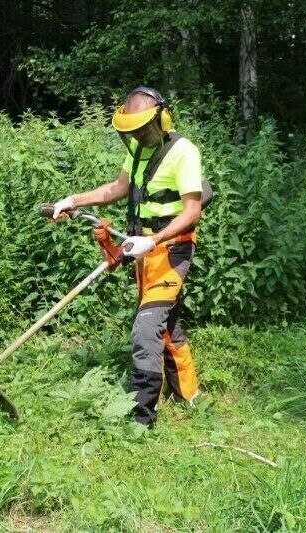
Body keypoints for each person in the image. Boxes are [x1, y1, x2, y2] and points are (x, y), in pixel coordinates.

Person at [50, 86, 203, 426]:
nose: (138, 137)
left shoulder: (184, 152)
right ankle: (189, 395)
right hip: (143, 248)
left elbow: (192, 211)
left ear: (162, 119)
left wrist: (156, 239)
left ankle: (142, 417)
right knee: (166, 324)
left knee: (146, 328)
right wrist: (73, 200)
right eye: (132, 132)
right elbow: (116, 189)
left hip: (172, 248)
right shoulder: (136, 149)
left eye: (144, 130)